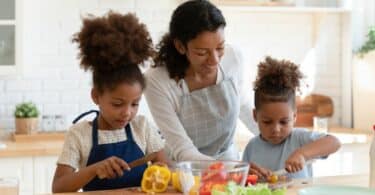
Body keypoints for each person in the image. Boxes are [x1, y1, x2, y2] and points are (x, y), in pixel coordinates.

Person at [52, 12, 168, 192]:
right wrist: (94, 169)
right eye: (117, 104)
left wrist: (162, 170)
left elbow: (164, 166)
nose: (127, 112)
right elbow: (59, 187)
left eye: (135, 104)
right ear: (96, 96)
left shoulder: (142, 128)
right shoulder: (79, 135)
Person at [144, 0, 258, 162]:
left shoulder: (234, 58)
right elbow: (182, 148)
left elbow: (245, 107)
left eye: (220, 48)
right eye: (202, 52)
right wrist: (232, 169)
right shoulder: (156, 80)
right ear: (180, 46)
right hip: (184, 171)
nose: (215, 60)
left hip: (229, 162)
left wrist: (280, 138)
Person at [242, 56, 341, 179]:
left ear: (294, 117)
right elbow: (243, 179)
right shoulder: (252, 147)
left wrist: (302, 154)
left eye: (284, 122)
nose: (276, 129)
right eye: (267, 122)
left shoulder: (299, 139)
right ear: (255, 116)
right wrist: (248, 175)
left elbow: (334, 142)